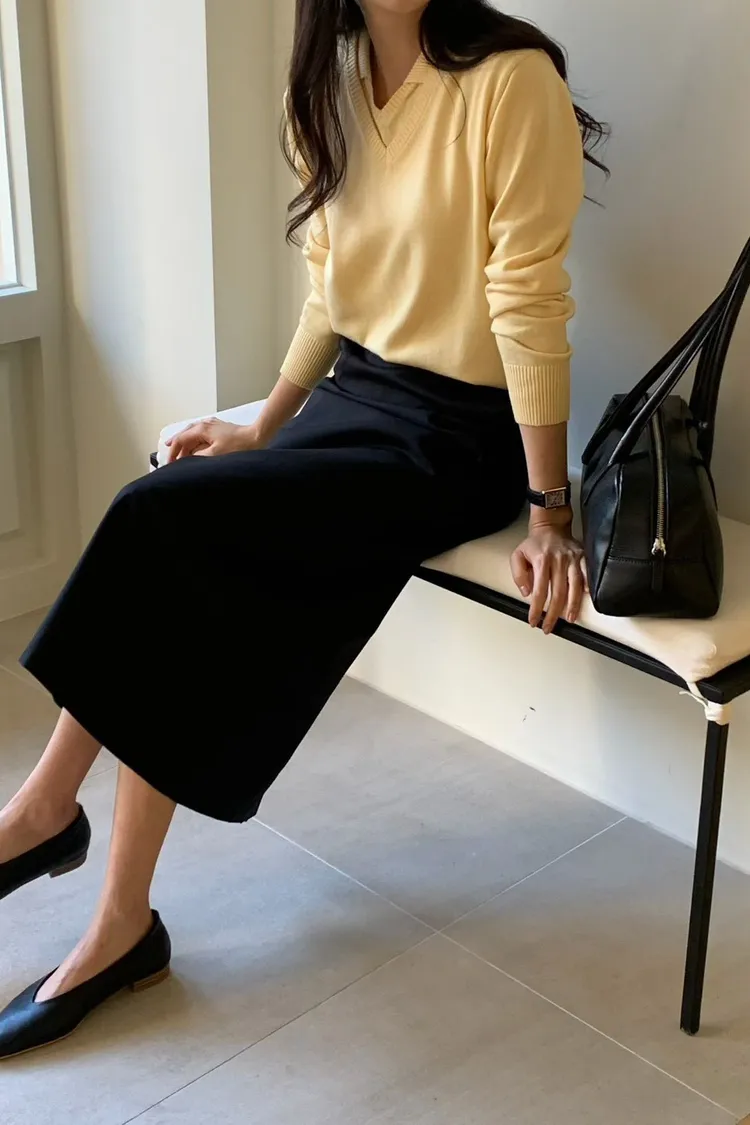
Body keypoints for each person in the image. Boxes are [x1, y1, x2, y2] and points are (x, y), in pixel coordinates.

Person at [0, 0, 607, 1058]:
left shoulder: (514, 82)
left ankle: (49, 825)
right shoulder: (328, 81)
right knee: (180, 543)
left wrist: (549, 506)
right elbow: (330, 282)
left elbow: (528, 299)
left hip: (459, 435)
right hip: (355, 396)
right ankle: (110, 905)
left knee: (162, 522)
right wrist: (264, 424)